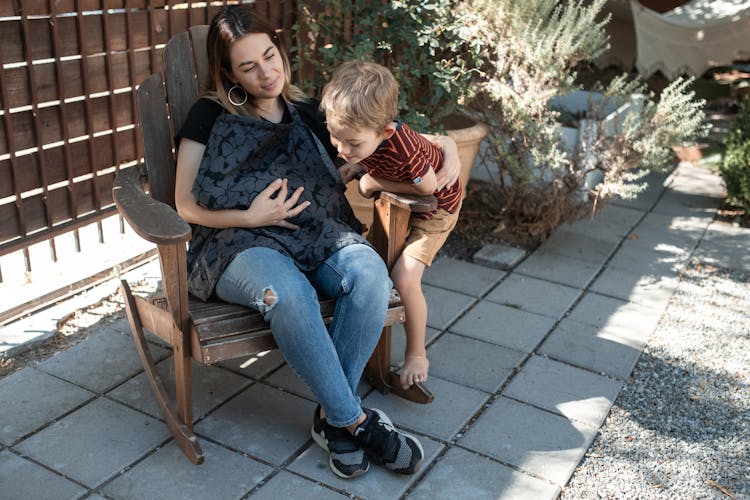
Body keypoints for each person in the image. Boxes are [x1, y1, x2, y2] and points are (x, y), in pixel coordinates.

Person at [173, 6, 459, 479]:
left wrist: (445, 144)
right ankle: (356, 421)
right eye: (248, 66)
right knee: (288, 294)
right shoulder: (208, 114)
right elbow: (183, 204)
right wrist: (249, 215)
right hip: (237, 244)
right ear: (228, 72)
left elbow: (383, 134)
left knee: (369, 274)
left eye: (269, 55)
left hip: (316, 231)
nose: (266, 72)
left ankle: (334, 420)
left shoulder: (308, 113)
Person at [320, 60, 463, 392]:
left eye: (352, 144)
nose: (342, 149)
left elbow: (427, 187)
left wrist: (370, 180)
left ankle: (417, 354)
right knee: (376, 263)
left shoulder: (403, 150)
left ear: (385, 132)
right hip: (404, 207)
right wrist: (356, 167)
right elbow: (370, 153)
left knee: (403, 276)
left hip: (436, 211)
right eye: (335, 137)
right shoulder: (367, 134)